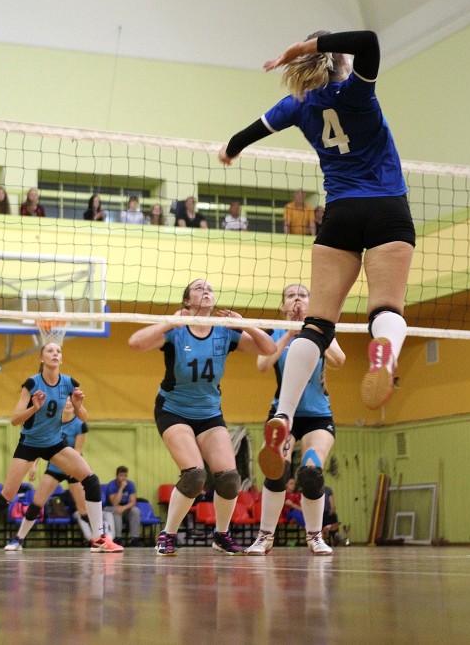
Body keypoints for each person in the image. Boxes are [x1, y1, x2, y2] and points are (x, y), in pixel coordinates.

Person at [219, 28, 415, 470]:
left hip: (339, 215)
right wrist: (302, 47)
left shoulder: (297, 105)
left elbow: (243, 137)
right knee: (387, 308)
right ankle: (385, 350)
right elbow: (369, 40)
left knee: (318, 324)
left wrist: (230, 150)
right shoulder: (358, 92)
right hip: (387, 207)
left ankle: (283, 415)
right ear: (342, 60)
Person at [127, 279, 276, 556]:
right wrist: (169, 322)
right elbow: (135, 343)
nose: (206, 291)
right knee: (195, 475)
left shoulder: (224, 332)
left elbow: (269, 349)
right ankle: (168, 535)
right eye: (198, 288)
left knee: (230, 479)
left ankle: (221, 535)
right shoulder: (176, 331)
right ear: (187, 301)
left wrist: (245, 325)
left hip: (209, 413)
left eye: (209, 288)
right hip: (173, 410)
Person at [0, 342, 123, 553]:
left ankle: (99, 538)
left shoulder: (69, 383)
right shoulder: (32, 384)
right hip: (29, 444)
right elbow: (14, 419)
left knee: (91, 480)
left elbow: (84, 417)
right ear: (41, 358)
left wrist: (77, 406)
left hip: (54, 443)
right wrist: (34, 408)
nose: (55, 353)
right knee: (4, 499)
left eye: (58, 351)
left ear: (61, 359)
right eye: (50, 351)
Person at [248, 283, 345, 556]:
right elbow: (262, 364)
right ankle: (265, 537)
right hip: (283, 417)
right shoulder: (275, 331)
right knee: (277, 471)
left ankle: (315, 536)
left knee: (311, 474)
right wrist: (290, 334)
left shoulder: (323, 330)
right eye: (291, 296)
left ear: (311, 303)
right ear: (283, 305)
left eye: (302, 296)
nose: (297, 300)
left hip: (318, 417)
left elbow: (339, 360)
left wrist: (314, 336)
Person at [3, 399, 109, 549]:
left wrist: (74, 469)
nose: (68, 403)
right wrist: (34, 465)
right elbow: (41, 444)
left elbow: (78, 450)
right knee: (37, 503)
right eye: (65, 401)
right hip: (54, 468)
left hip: (72, 469)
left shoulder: (79, 425)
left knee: (83, 510)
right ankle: (18, 539)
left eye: (70, 401)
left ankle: (102, 537)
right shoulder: (52, 422)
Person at [103, 466, 142, 547]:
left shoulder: (130, 484)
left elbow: (133, 502)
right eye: (121, 475)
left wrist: (124, 508)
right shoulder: (111, 485)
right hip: (109, 508)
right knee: (117, 510)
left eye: (125, 476)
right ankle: (118, 538)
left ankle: (134, 538)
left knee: (135, 510)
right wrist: (121, 488)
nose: (124, 478)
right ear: (117, 476)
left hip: (124, 508)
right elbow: (115, 503)